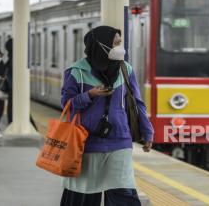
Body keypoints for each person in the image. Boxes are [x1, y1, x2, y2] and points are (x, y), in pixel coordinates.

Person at [60, 26, 154, 206]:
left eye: (120, 43)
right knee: (84, 195)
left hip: (119, 140)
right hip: (86, 142)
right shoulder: (76, 71)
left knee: (124, 193)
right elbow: (66, 105)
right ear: (101, 45)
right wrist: (89, 95)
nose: (121, 48)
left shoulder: (125, 69)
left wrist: (147, 132)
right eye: (116, 43)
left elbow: (137, 103)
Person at [4, 38, 13, 125]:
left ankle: (11, 123)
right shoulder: (16, 58)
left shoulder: (10, 57)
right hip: (14, 88)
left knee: (11, 107)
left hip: (11, 88)